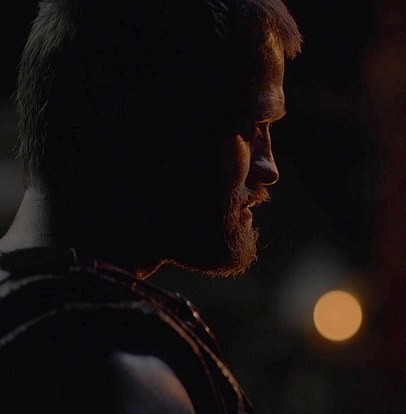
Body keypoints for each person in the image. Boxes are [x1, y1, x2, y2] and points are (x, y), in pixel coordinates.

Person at [0, 0, 301, 411]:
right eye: (250, 128)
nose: (269, 169)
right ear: (148, 123)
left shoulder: (30, 317)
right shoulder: (118, 374)